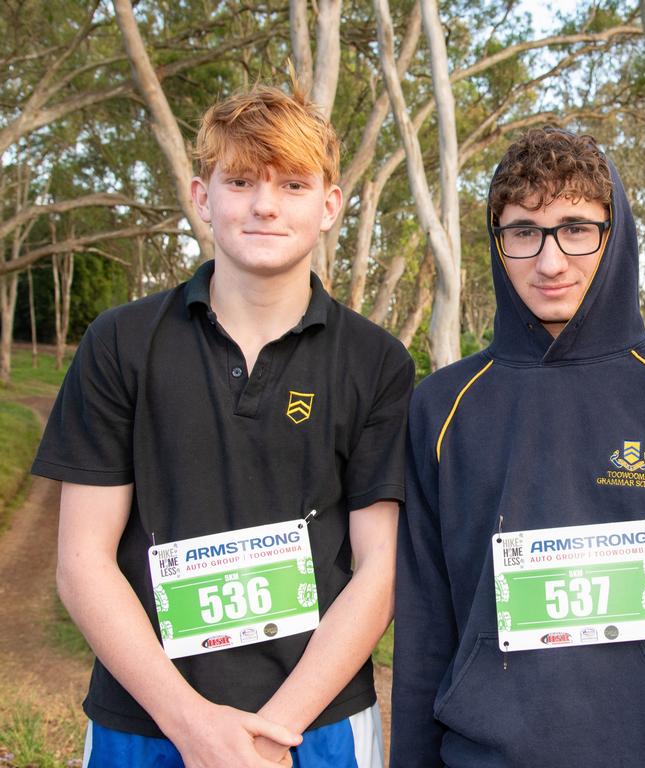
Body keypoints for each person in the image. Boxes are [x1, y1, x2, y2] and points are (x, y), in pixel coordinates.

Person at [32, 85, 414, 767]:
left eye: (293, 184)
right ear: (202, 196)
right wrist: (194, 725)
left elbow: (380, 568)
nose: (265, 204)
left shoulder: (376, 362)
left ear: (329, 205)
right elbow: (80, 561)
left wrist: (269, 735)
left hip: (315, 727)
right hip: (144, 721)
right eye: (240, 181)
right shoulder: (121, 343)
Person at [390, 127, 645, 767]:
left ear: (613, 235)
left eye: (575, 228)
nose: (550, 260)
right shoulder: (442, 407)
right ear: (497, 243)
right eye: (523, 232)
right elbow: (424, 627)